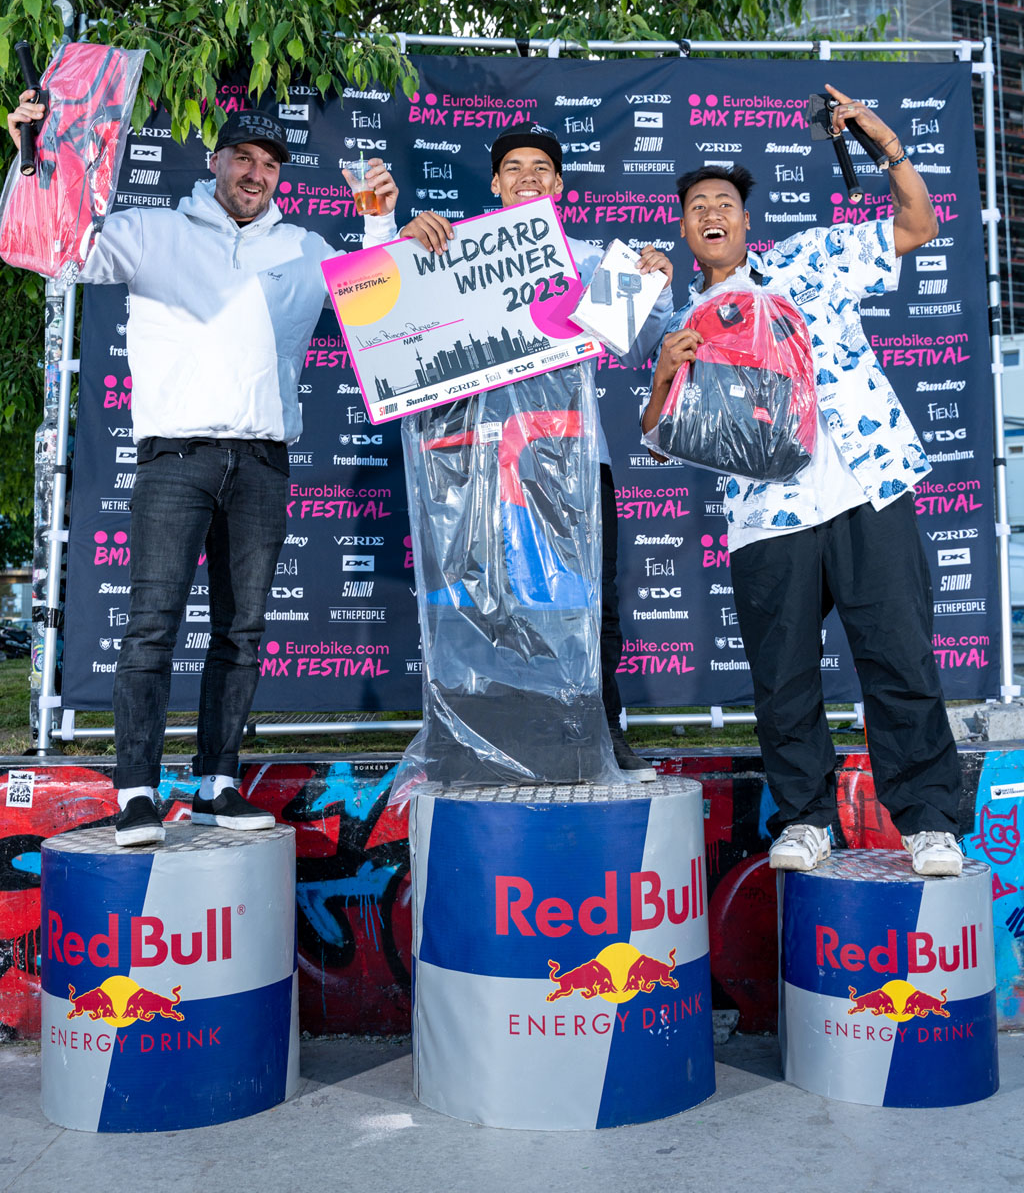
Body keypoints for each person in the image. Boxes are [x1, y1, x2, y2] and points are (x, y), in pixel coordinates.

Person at [7, 97, 399, 845]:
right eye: (244, 158)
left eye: (270, 164)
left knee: (242, 633)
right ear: (214, 161)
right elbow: (55, 249)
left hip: (262, 461)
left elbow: (378, 314)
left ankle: (219, 783)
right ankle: (135, 793)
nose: (256, 173)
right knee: (151, 628)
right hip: (174, 459)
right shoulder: (155, 231)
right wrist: (35, 158)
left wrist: (378, 221)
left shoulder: (307, 249)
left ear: (281, 178)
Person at [641, 84, 964, 876]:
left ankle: (928, 822)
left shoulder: (812, 259)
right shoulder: (680, 322)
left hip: (866, 487)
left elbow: (918, 224)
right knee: (782, 682)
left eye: (725, 201)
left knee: (900, 659)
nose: (711, 212)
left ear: (747, 222)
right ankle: (807, 818)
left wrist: (885, 143)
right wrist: (661, 375)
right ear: (686, 233)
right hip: (766, 520)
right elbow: (655, 445)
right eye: (696, 207)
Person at [400, 123, 674, 779]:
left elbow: (636, 347)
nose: (528, 175)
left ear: (558, 184)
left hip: (574, 465)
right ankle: (470, 740)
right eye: (514, 166)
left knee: (588, 604)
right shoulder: (451, 251)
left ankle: (602, 736)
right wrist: (397, 246)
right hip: (476, 468)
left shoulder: (587, 261)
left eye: (541, 167)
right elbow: (394, 326)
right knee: (480, 603)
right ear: (495, 183)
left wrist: (653, 283)